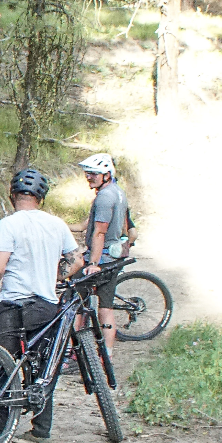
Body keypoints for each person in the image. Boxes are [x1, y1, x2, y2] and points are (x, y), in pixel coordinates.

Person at [0, 168, 81, 443]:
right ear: (41, 198)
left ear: (12, 195)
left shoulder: (9, 224)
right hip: (45, 306)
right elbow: (76, 261)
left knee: (2, 366)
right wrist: (55, 277)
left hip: (12, 305)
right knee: (43, 368)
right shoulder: (57, 224)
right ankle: (41, 432)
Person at [76, 153, 129, 357]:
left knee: (75, 302)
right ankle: (106, 355)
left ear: (106, 175)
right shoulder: (118, 192)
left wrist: (93, 263)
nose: (88, 177)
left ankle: (72, 352)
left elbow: (99, 232)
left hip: (102, 259)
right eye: (87, 173)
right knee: (106, 307)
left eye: (94, 174)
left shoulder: (104, 198)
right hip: (113, 257)